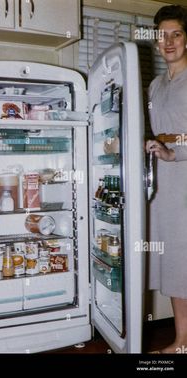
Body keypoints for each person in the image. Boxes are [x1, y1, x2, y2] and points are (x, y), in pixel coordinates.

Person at [146, 4, 187, 353]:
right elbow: (155, 132)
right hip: (164, 183)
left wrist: (175, 150)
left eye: (177, 34)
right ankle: (181, 342)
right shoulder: (155, 86)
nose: (169, 41)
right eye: (163, 35)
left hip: (185, 174)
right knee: (176, 264)